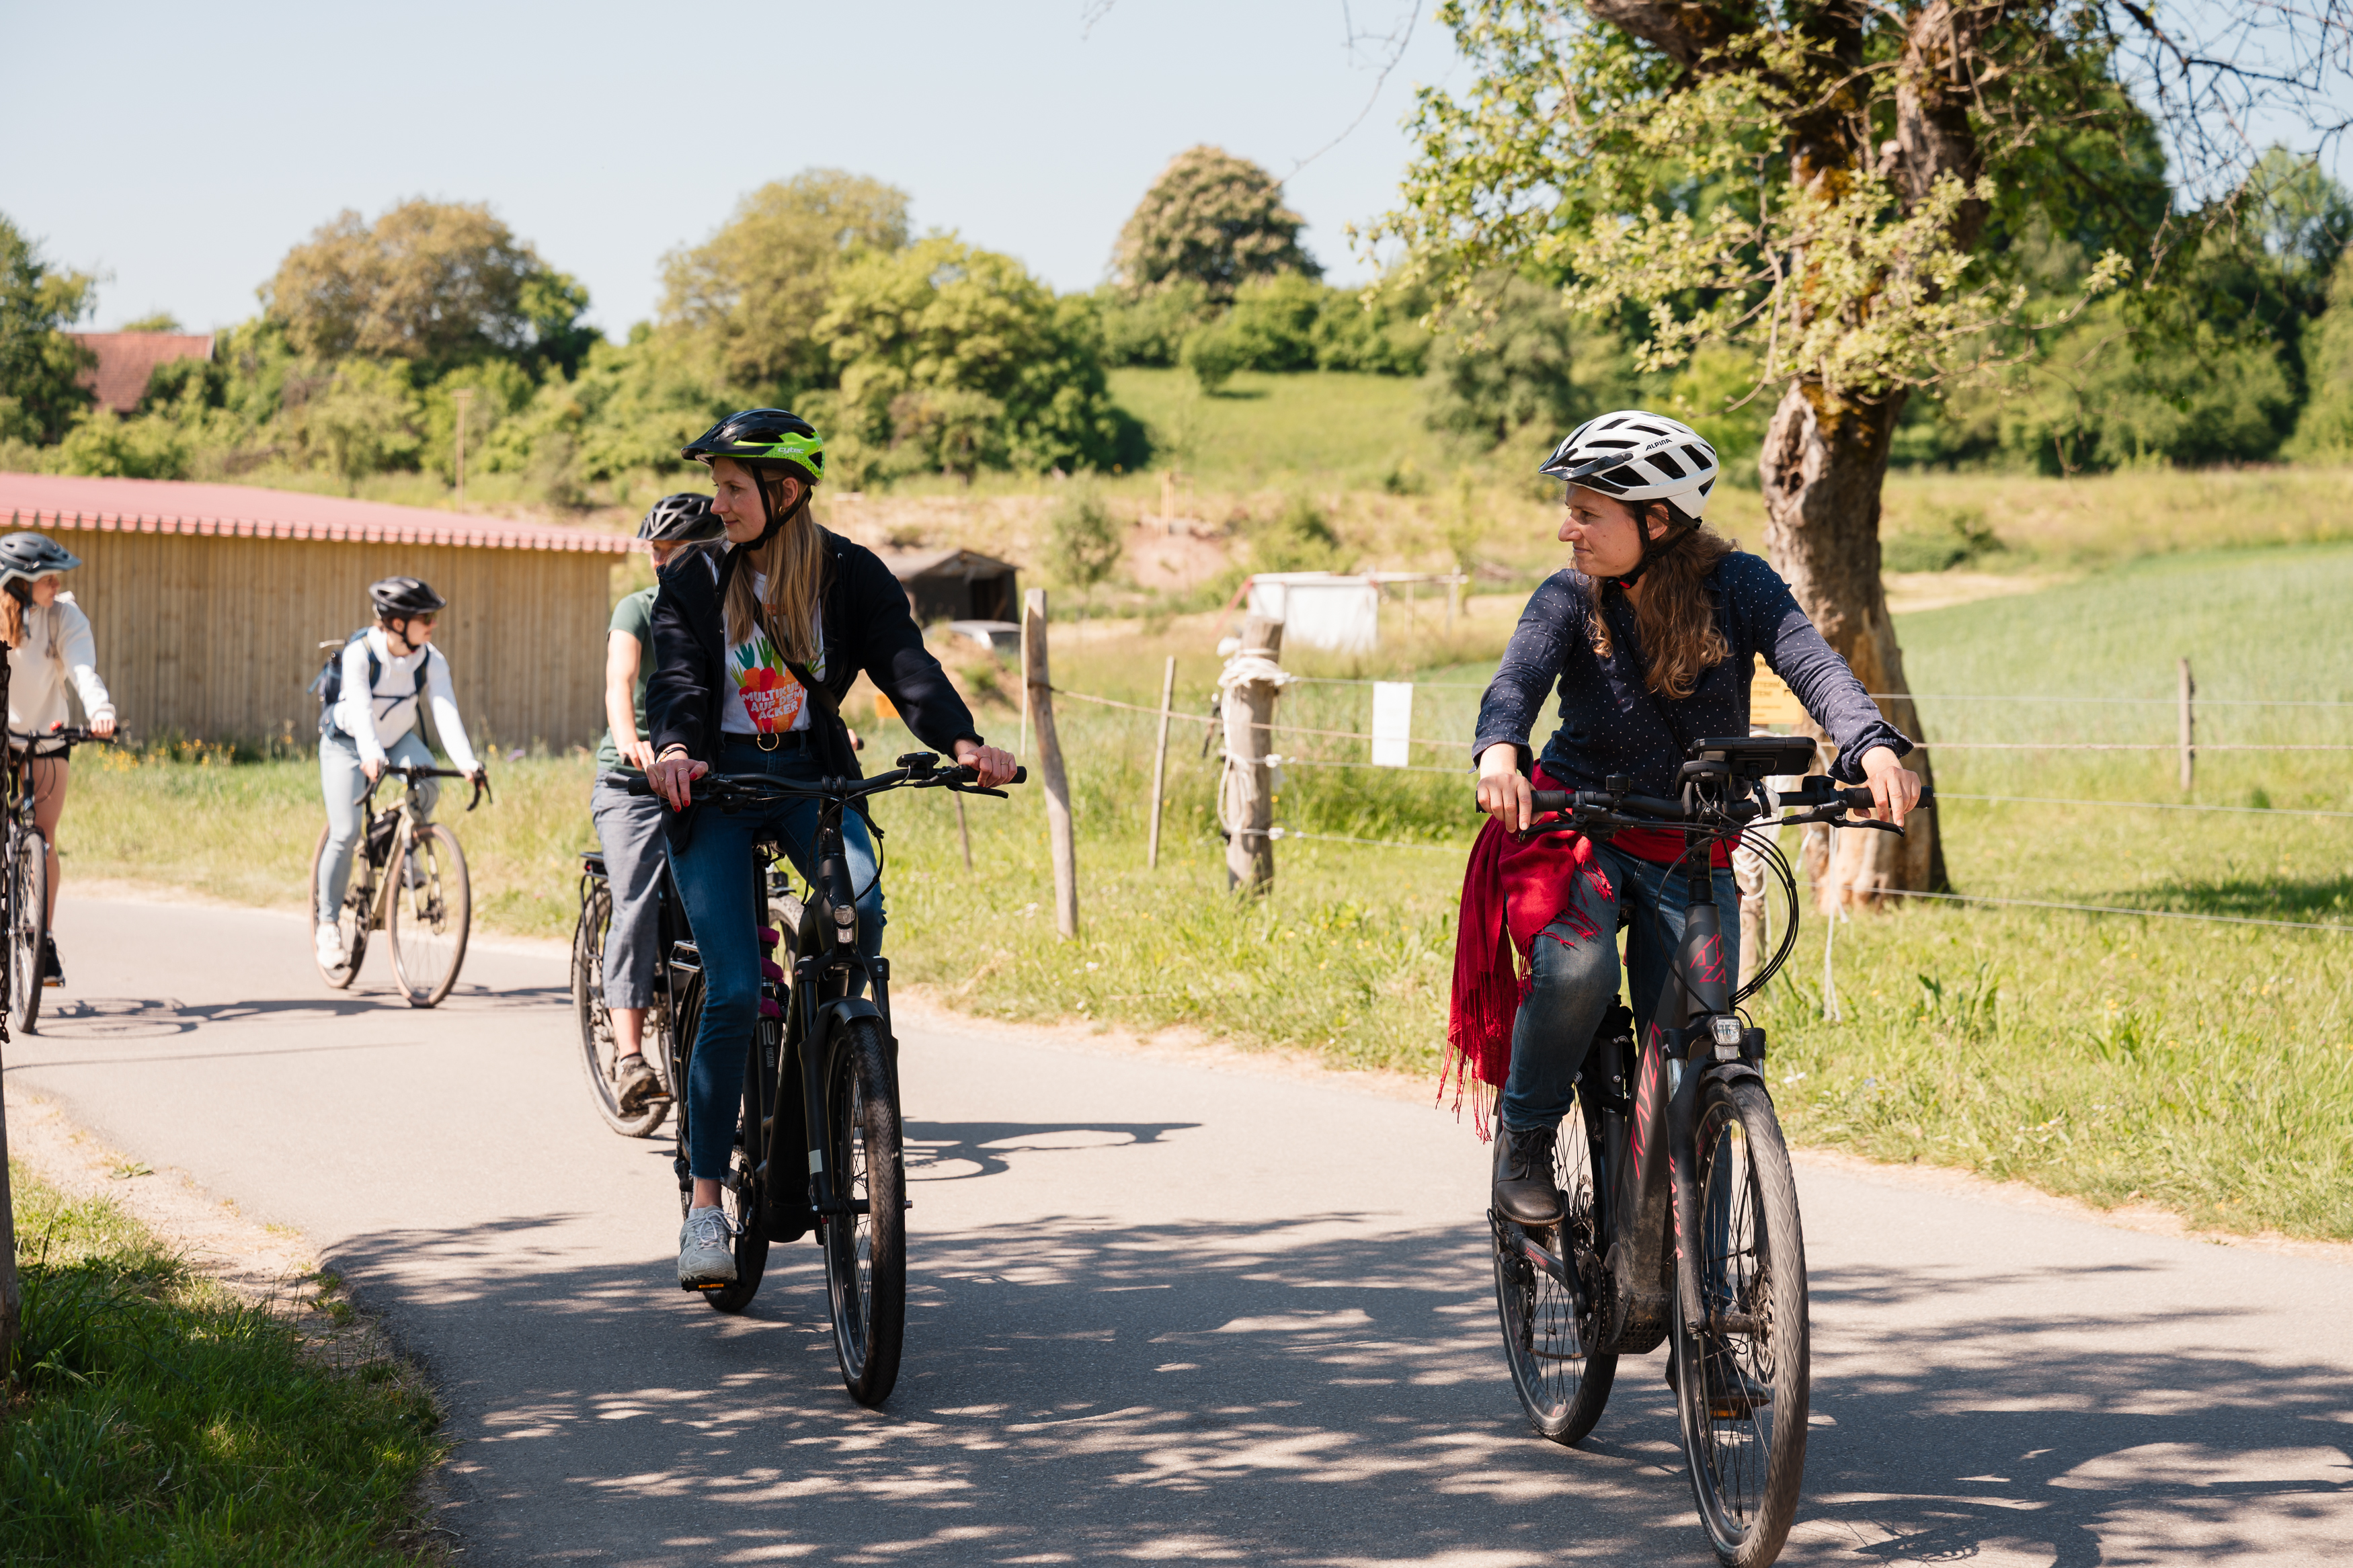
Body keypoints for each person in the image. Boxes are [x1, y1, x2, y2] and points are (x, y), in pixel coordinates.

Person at [1457, 411, 1923, 1225]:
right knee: (1576, 968)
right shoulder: (1567, 596)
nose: (1567, 529)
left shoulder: (1738, 585)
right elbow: (1515, 682)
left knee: (1699, 1044)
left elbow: (1814, 665)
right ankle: (1525, 1135)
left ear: (1656, 519)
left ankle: (1705, 1280)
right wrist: (1499, 753)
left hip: (1692, 839)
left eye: (1587, 512)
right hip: (1582, 827)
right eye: (1569, 510)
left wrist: (1870, 748)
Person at [643, 409, 1016, 1289]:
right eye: (718, 487)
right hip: (717, 786)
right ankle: (706, 1204)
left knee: (861, 911)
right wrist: (675, 748)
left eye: (734, 489)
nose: (718, 503)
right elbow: (678, 677)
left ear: (786, 492)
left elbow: (905, 665)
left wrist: (963, 742)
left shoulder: (850, 573)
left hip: (811, 777)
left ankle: (832, 1066)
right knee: (735, 988)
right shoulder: (696, 576)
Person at [591, 493, 725, 1112]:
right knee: (638, 901)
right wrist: (631, 741)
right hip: (634, 780)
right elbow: (620, 680)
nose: (658, 561)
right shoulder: (639, 607)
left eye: (670, 550)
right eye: (655, 549)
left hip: (705, 773)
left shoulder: (734, 607)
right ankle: (629, 1058)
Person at [315, 577, 487, 967]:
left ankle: (403, 849)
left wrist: (467, 762)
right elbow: (361, 709)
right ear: (397, 623)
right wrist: (370, 754)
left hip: (396, 739)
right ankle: (327, 924)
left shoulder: (430, 659)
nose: (433, 624)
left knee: (427, 784)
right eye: (425, 618)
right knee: (345, 831)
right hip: (348, 742)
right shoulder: (361, 654)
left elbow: (445, 709)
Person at [0, 532, 118, 984]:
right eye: (47, 577)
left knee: (44, 836)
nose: (57, 583)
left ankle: (42, 938)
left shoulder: (65, 616)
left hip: (45, 735)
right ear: (18, 582)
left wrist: (101, 711)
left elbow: (83, 670)